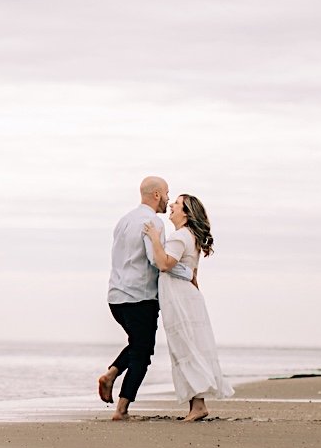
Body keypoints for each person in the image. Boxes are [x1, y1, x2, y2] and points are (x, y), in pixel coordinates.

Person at [97, 176, 192, 421]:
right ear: (157, 194)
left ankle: (111, 374)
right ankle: (121, 409)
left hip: (116, 297)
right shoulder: (153, 223)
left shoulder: (124, 220)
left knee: (140, 344)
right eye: (168, 193)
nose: (169, 199)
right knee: (142, 352)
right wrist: (187, 269)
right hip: (140, 297)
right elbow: (157, 261)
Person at [141, 194, 230, 420]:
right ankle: (196, 405)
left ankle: (198, 406)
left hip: (180, 298)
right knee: (189, 347)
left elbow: (164, 264)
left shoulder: (180, 236)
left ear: (186, 213)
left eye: (176, 204)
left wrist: (154, 238)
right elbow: (193, 274)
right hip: (186, 297)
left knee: (185, 348)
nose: (171, 205)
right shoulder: (189, 236)